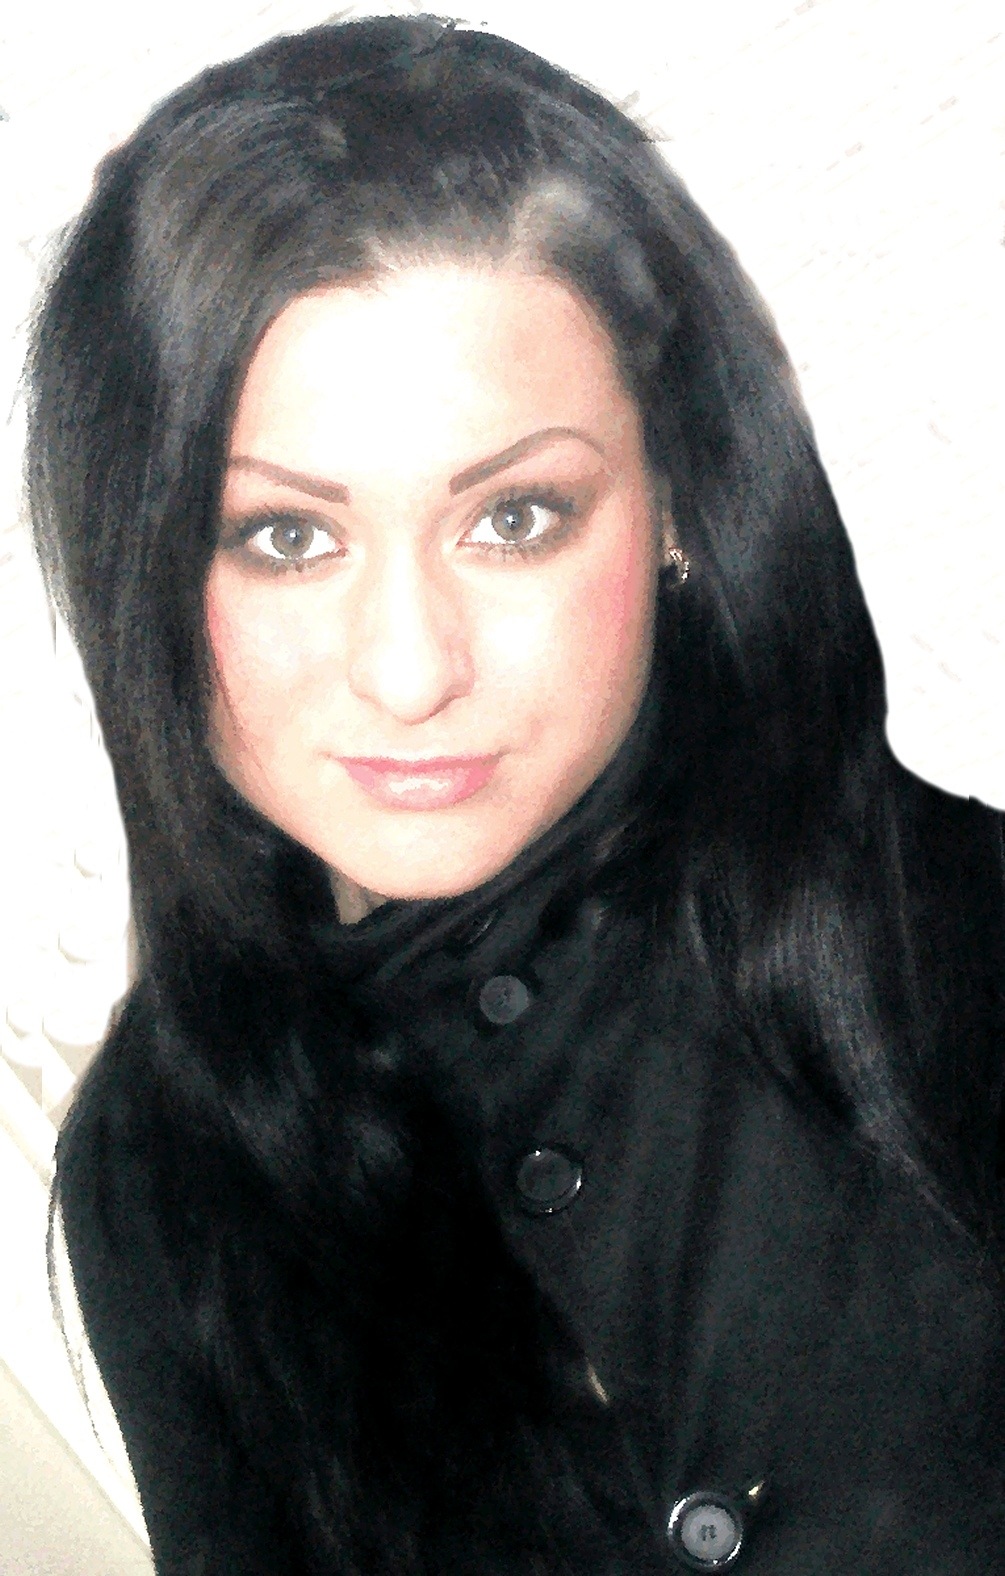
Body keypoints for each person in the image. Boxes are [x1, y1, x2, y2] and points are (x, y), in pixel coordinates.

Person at [21, 13, 1005, 1574]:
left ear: (675, 500)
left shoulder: (969, 937)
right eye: (285, 538)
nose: (410, 669)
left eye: (516, 517)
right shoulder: (160, 1175)